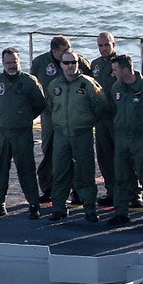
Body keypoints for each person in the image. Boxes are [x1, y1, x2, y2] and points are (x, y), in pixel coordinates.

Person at [44, 50, 109, 222]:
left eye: (73, 62)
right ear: (61, 64)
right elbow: (50, 106)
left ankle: (89, 208)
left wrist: (88, 121)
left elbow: (101, 106)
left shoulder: (88, 84)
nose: (70, 66)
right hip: (61, 134)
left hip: (82, 133)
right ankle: (58, 207)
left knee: (85, 171)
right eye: (66, 63)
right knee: (60, 171)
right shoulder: (54, 85)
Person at [107, 54, 143, 227]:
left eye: (116, 70)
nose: (113, 73)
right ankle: (121, 212)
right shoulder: (116, 87)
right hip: (122, 138)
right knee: (121, 177)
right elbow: (114, 108)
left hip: (142, 139)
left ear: (126, 70)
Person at [0, 47, 46, 219]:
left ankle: (34, 204)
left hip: (22, 132)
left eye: (14, 62)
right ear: (2, 63)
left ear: (19, 62)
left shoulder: (29, 81)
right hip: (3, 132)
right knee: (0, 169)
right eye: (8, 63)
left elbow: (40, 104)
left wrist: (25, 118)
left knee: (26, 168)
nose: (11, 66)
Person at [32, 35, 91, 203]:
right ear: (54, 51)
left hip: (74, 114)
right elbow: (34, 87)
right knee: (49, 149)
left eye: (70, 49)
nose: (69, 54)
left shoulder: (79, 61)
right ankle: (48, 187)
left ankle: (78, 189)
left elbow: (91, 84)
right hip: (51, 115)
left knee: (76, 152)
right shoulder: (40, 63)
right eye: (64, 51)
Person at [92, 32, 119, 206]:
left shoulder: (121, 63)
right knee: (104, 156)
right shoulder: (95, 65)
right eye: (100, 46)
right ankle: (111, 190)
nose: (103, 49)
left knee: (124, 157)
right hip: (100, 118)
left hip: (117, 117)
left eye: (106, 45)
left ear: (113, 45)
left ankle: (133, 191)